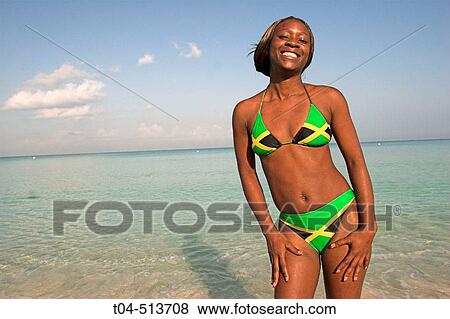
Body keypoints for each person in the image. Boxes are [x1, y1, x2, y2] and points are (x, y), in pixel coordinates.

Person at [232, 16, 377, 298]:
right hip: (292, 227)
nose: (293, 43)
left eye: (303, 40)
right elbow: (248, 174)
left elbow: (356, 162)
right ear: (268, 44)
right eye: (284, 36)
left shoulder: (328, 98)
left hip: (343, 218)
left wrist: (368, 227)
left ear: (309, 53)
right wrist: (270, 234)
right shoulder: (246, 112)